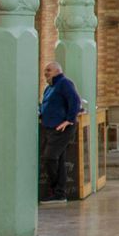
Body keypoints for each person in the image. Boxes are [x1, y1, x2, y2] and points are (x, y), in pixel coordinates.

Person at [39, 61, 82, 203]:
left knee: (50, 157)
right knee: (59, 159)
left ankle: (58, 192)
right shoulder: (49, 87)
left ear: (58, 71)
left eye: (49, 70)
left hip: (62, 128)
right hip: (50, 128)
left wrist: (69, 120)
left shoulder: (64, 83)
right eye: (45, 71)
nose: (46, 73)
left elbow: (75, 101)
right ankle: (60, 193)